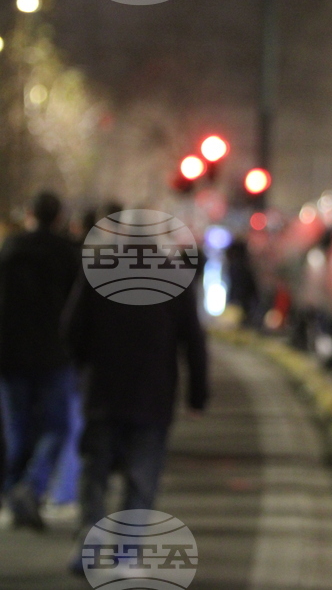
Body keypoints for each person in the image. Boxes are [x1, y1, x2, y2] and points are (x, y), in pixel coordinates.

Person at [62, 238, 208, 565]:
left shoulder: (98, 273)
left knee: (95, 470)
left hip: (103, 391)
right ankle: (126, 552)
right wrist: (197, 396)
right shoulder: (176, 278)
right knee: (142, 477)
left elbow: (72, 329)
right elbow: (195, 343)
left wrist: (83, 365)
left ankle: (89, 537)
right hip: (152, 396)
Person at [0, 191, 80, 529]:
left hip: (10, 353)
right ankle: (30, 488)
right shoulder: (69, 254)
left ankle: (15, 492)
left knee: (17, 427)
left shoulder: (9, 251)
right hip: (53, 354)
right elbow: (78, 310)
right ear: (59, 217)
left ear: (31, 214)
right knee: (56, 427)